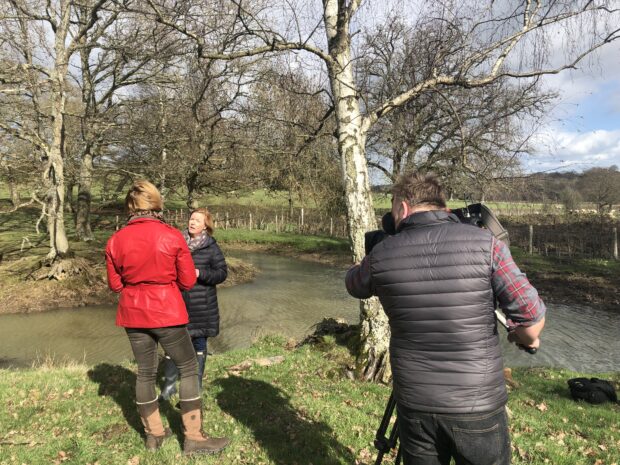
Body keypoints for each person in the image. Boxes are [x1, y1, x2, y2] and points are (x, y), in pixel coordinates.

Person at [345, 172, 546, 465]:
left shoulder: (381, 255)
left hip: (415, 405)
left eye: (391, 209)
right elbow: (530, 320)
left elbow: (353, 285)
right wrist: (527, 337)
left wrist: (368, 258)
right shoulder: (487, 244)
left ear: (402, 207)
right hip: (478, 405)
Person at [105, 180, 230, 455]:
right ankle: (194, 437)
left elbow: (115, 285)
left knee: (145, 373)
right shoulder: (171, 236)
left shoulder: (116, 240)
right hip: (167, 313)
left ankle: (154, 435)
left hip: (133, 314)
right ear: (156, 204)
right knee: (188, 366)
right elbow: (186, 280)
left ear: (130, 207)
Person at [159, 207, 228, 399]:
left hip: (202, 306)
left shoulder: (211, 247)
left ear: (206, 225)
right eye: (191, 219)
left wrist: (200, 274)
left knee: (198, 343)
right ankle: (169, 386)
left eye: (197, 220)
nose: (192, 222)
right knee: (171, 343)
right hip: (177, 302)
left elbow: (222, 273)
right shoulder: (177, 242)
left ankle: (195, 386)